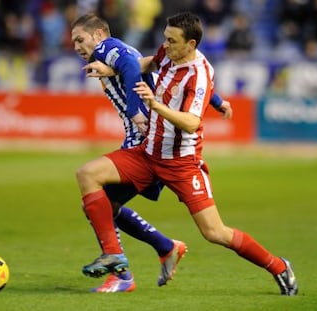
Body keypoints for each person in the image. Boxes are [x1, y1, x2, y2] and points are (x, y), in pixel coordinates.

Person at [76, 12, 298, 296]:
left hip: (182, 163)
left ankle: (278, 266)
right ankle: (116, 258)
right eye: (165, 38)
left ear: (191, 44)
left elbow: (193, 122)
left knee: (215, 233)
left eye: (172, 41)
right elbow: (147, 62)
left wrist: (155, 106)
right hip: (148, 154)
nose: (165, 45)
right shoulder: (169, 51)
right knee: (88, 175)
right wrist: (113, 70)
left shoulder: (199, 74)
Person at [71, 13, 232, 292]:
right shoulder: (119, 53)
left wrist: (135, 112)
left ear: (98, 35)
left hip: (145, 139)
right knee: (102, 205)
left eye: (80, 39)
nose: (76, 47)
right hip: (153, 138)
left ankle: (122, 274)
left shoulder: (107, 48)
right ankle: (164, 247)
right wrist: (217, 102)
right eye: (73, 42)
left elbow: (133, 68)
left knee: (97, 199)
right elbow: (164, 72)